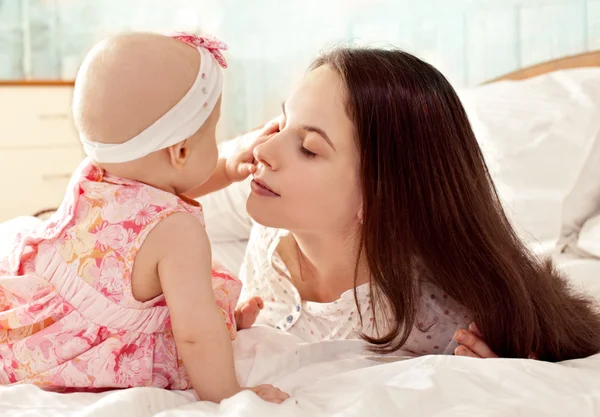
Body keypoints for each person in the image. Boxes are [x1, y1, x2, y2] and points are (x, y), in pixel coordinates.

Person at [192, 46, 600, 361]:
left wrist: (507, 374)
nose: (264, 149)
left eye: (309, 148)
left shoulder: (436, 320)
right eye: (282, 124)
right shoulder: (269, 234)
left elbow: (541, 348)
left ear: (378, 195)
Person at [0, 32, 288, 404]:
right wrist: (232, 396)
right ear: (181, 151)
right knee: (198, 310)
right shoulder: (178, 232)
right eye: (212, 132)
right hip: (96, 347)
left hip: (44, 325)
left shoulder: (97, 171)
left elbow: (166, 184)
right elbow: (195, 336)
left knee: (188, 294)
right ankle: (228, 324)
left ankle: (229, 319)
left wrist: (229, 167)